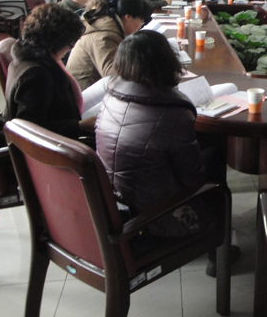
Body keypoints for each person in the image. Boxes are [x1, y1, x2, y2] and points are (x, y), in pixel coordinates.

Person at [95, 30, 236, 271]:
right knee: (214, 157)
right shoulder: (173, 109)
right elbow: (193, 179)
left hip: (120, 203)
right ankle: (217, 253)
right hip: (156, 218)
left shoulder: (112, 94)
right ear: (167, 62)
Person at [4, 4, 96, 139]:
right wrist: (80, 125)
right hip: (57, 145)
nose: (69, 49)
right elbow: (32, 128)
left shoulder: (24, 60)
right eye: (70, 44)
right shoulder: (36, 74)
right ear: (57, 42)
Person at [67, 0, 152, 90]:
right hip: (83, 91)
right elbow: (112, 75)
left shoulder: (110, 27)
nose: (140, 26)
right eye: (141, 21)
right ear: (128, 17)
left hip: (90, 86)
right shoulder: (105, 35)